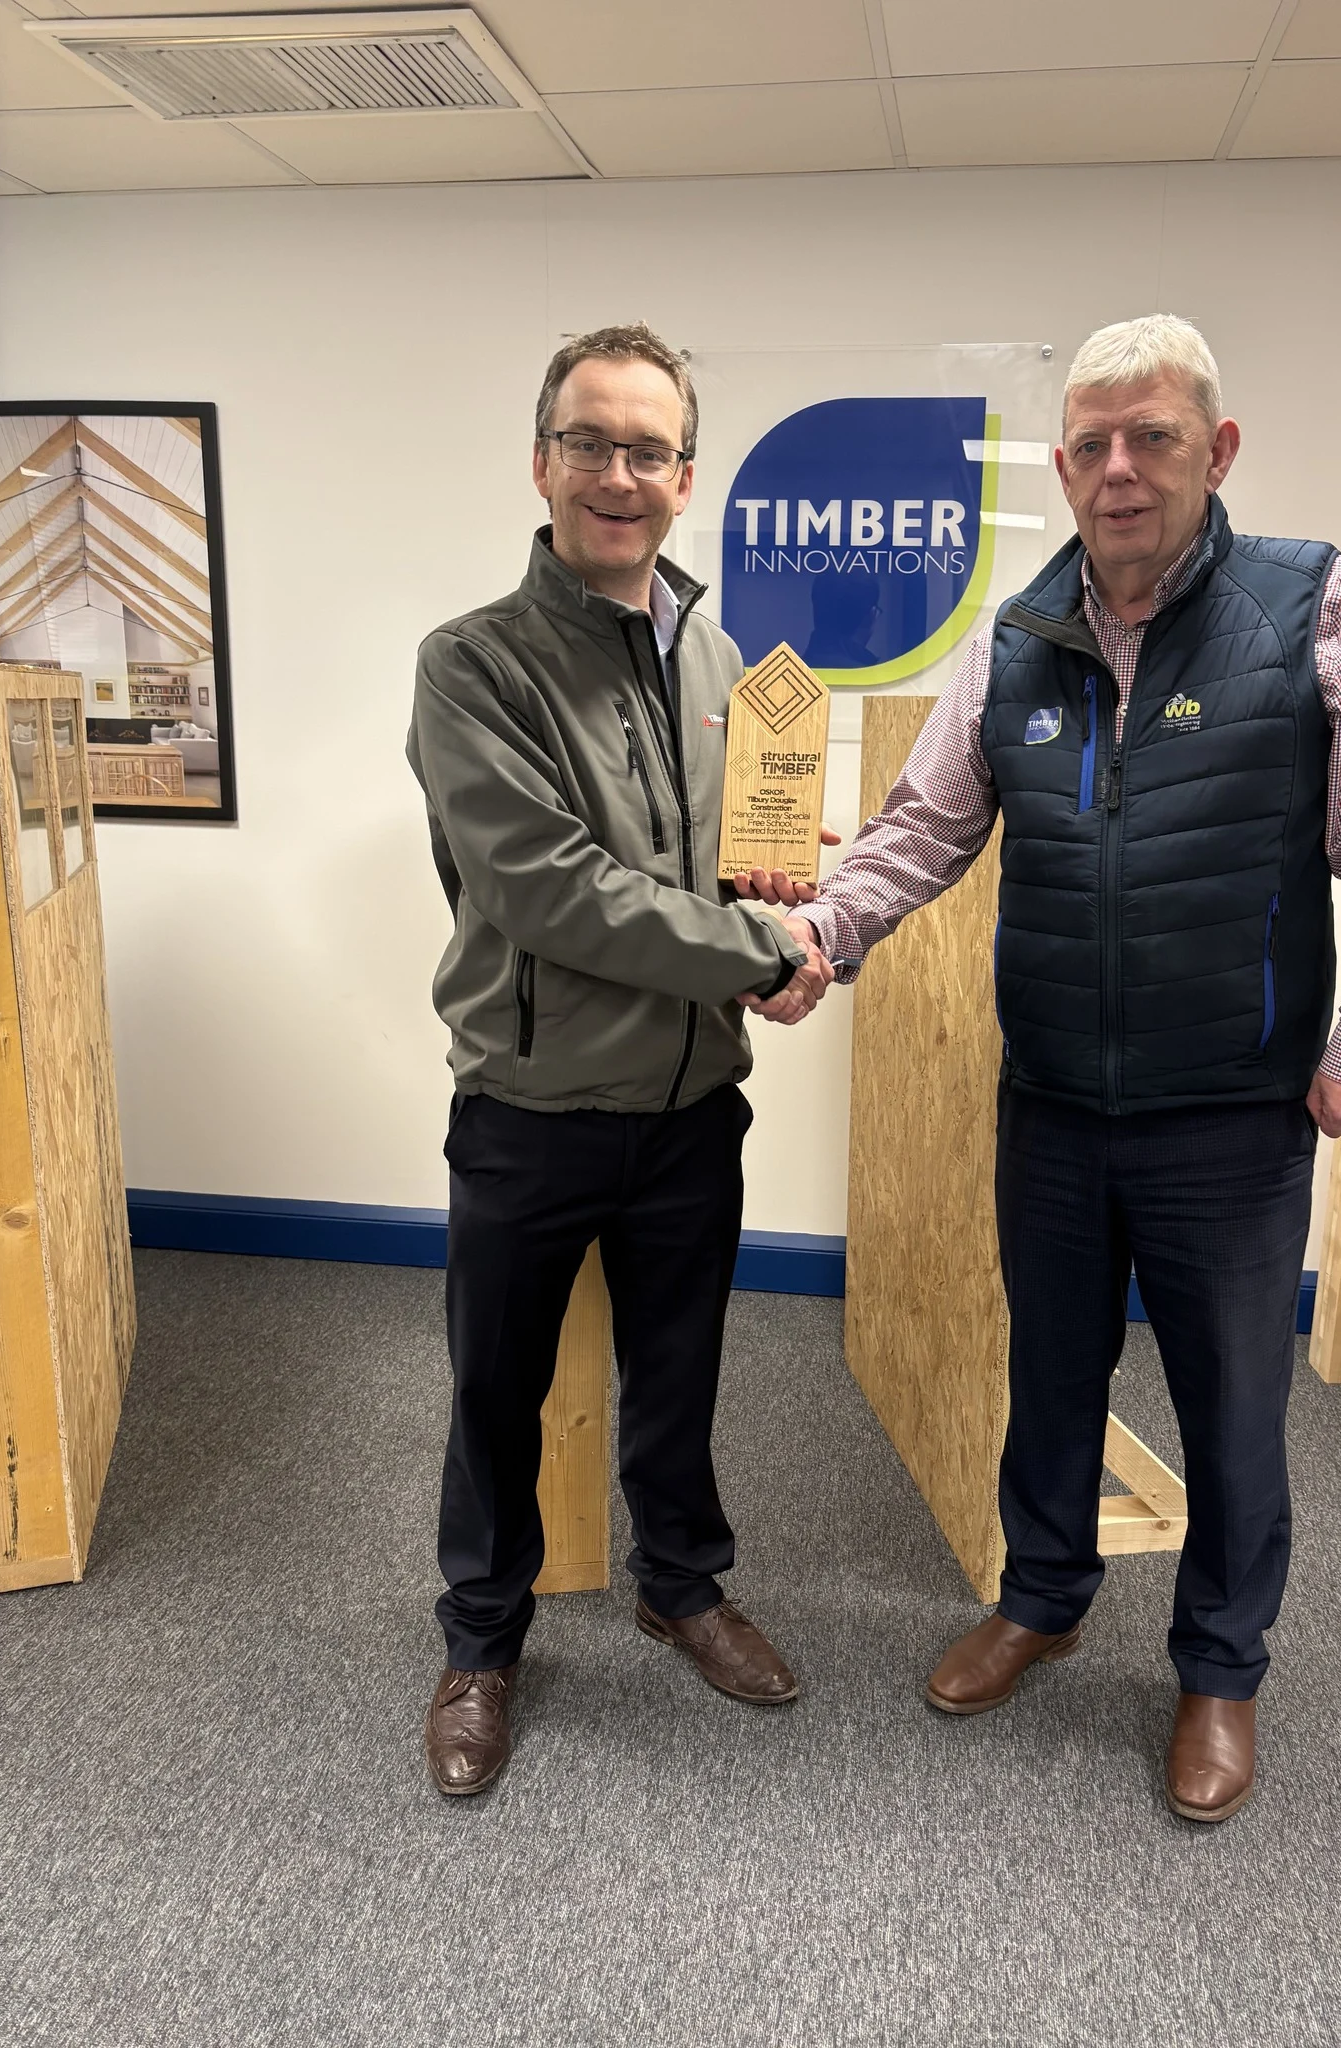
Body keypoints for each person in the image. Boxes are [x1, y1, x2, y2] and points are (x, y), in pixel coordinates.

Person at [748, 314, 1341, 1823]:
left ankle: (1218, 1669)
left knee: (1229, 1407)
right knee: (1053, 1379)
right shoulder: (1017, 636)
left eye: (1153, 439)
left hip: (1233, 1111)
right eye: (1091, 444)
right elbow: (924, 830)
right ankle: (1047, 1595)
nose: (1119, 471)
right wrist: (827, 943)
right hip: (1057, 1101)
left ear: (1219, 452)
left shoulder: (1314, 607)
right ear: (1060, 464)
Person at [408, 323, 836, 1797]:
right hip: (530, 1103)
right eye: (589, 442)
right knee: (494, 1393)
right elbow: (550, 888)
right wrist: (758, 956)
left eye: (647, 450)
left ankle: (682, 1582)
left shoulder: (719, 658)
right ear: (541, 463)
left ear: (685, 477)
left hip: (691, 1104)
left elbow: (710, 865)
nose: (618, 473)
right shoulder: (472, 665)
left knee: (679, 1373)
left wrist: (785, 890)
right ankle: (482, 1642)